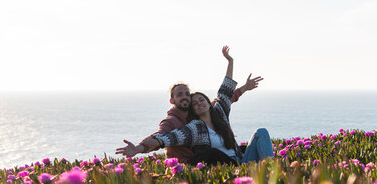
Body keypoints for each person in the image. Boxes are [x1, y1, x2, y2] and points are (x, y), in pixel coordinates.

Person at [116, 46, 273, 165]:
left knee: (261, 132)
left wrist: (231, 62)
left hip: (241, 160)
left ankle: (269, 170)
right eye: (195, 103)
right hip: (224, 165)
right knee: (212, 153)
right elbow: (164, 138)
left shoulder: (219, 112)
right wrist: (138, 149)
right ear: (192, 109)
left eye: (201, 100)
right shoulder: (194, 127)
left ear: (208, 102)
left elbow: (226, 92)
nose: (198, 103)